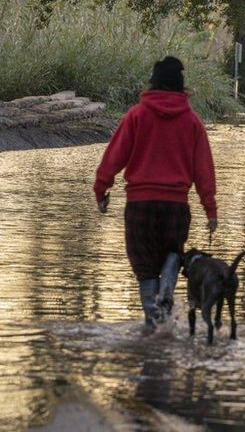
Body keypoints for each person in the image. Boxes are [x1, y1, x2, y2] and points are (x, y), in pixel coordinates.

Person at [93, 56, 217, 333]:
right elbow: (204, 169)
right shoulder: (192, 122)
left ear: (153, 82)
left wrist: (101, 189)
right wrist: (210, 209)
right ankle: (169, 284)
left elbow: (113, 156)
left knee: (144, 265)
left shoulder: (136, 116)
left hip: (140, 205)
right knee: (173, 252)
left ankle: (153, 326)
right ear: (181, 84)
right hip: (175, 207)